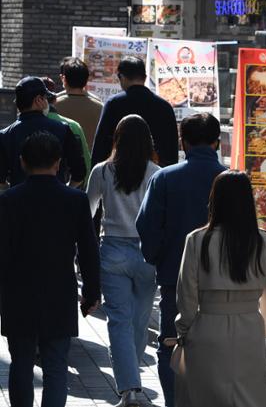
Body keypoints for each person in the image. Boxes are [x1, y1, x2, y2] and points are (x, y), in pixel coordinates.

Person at [0, 132, 100, 407]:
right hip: (59, 292)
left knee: (21, 362)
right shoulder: (75, 200)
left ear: (22, 162)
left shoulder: (8, 201)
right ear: (58, 163)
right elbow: (89, 252)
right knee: (56, 366)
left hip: (18, 293)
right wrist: (91, 293)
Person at [136, 113, 226, 407]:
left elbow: (147, 226)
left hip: (175, 276)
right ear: (217, 142)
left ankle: (175, 402)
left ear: (182, 142)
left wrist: (157, 257)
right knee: (217, 348)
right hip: (223, 281)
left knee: (171, 344)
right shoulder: (232, 180)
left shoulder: (164, 178)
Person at [174, 170, 266, 406]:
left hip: (208, 325)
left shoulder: (197, 239)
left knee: (207, 395)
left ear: (215, 200)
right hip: (250, 326)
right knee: (249, 395)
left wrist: (185, 328)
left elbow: (187, 293)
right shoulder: (261, 240)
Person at [86, 115, 160, 407]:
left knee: (119, 321)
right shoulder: (157, 173)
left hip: (113, 249)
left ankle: (129, 389)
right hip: (147, 253)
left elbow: (88, 211)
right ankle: (134, 384)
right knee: (141, 321)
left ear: (116, 139)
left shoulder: (102, 171)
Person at [0, 76, 86, 190]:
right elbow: (79, 172)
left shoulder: (5, 135)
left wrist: (13, 192)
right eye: (45, 97)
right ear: (38, 100)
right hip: (56, 203)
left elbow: (0, 179)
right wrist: (66, 191)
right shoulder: (63, 129)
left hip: (20, 205)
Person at [92, 56, 178, 168]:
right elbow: (171, 148)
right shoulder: (164, 106)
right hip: (155, 175)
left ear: (121, 77)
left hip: (119, 172)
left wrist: (96, 171)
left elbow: (101, 143)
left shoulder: (113, 103)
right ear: (145, 78)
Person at [42, 76, 91, 187]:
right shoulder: (72, 126)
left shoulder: (19, 126)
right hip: (62, 190)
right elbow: (85, 166)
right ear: (54, 99)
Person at [56, 57, 104, 149]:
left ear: (64, 79)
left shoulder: (54, 105)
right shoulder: (99, 106)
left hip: (60, 161)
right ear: (86, 80)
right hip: (90, 161)